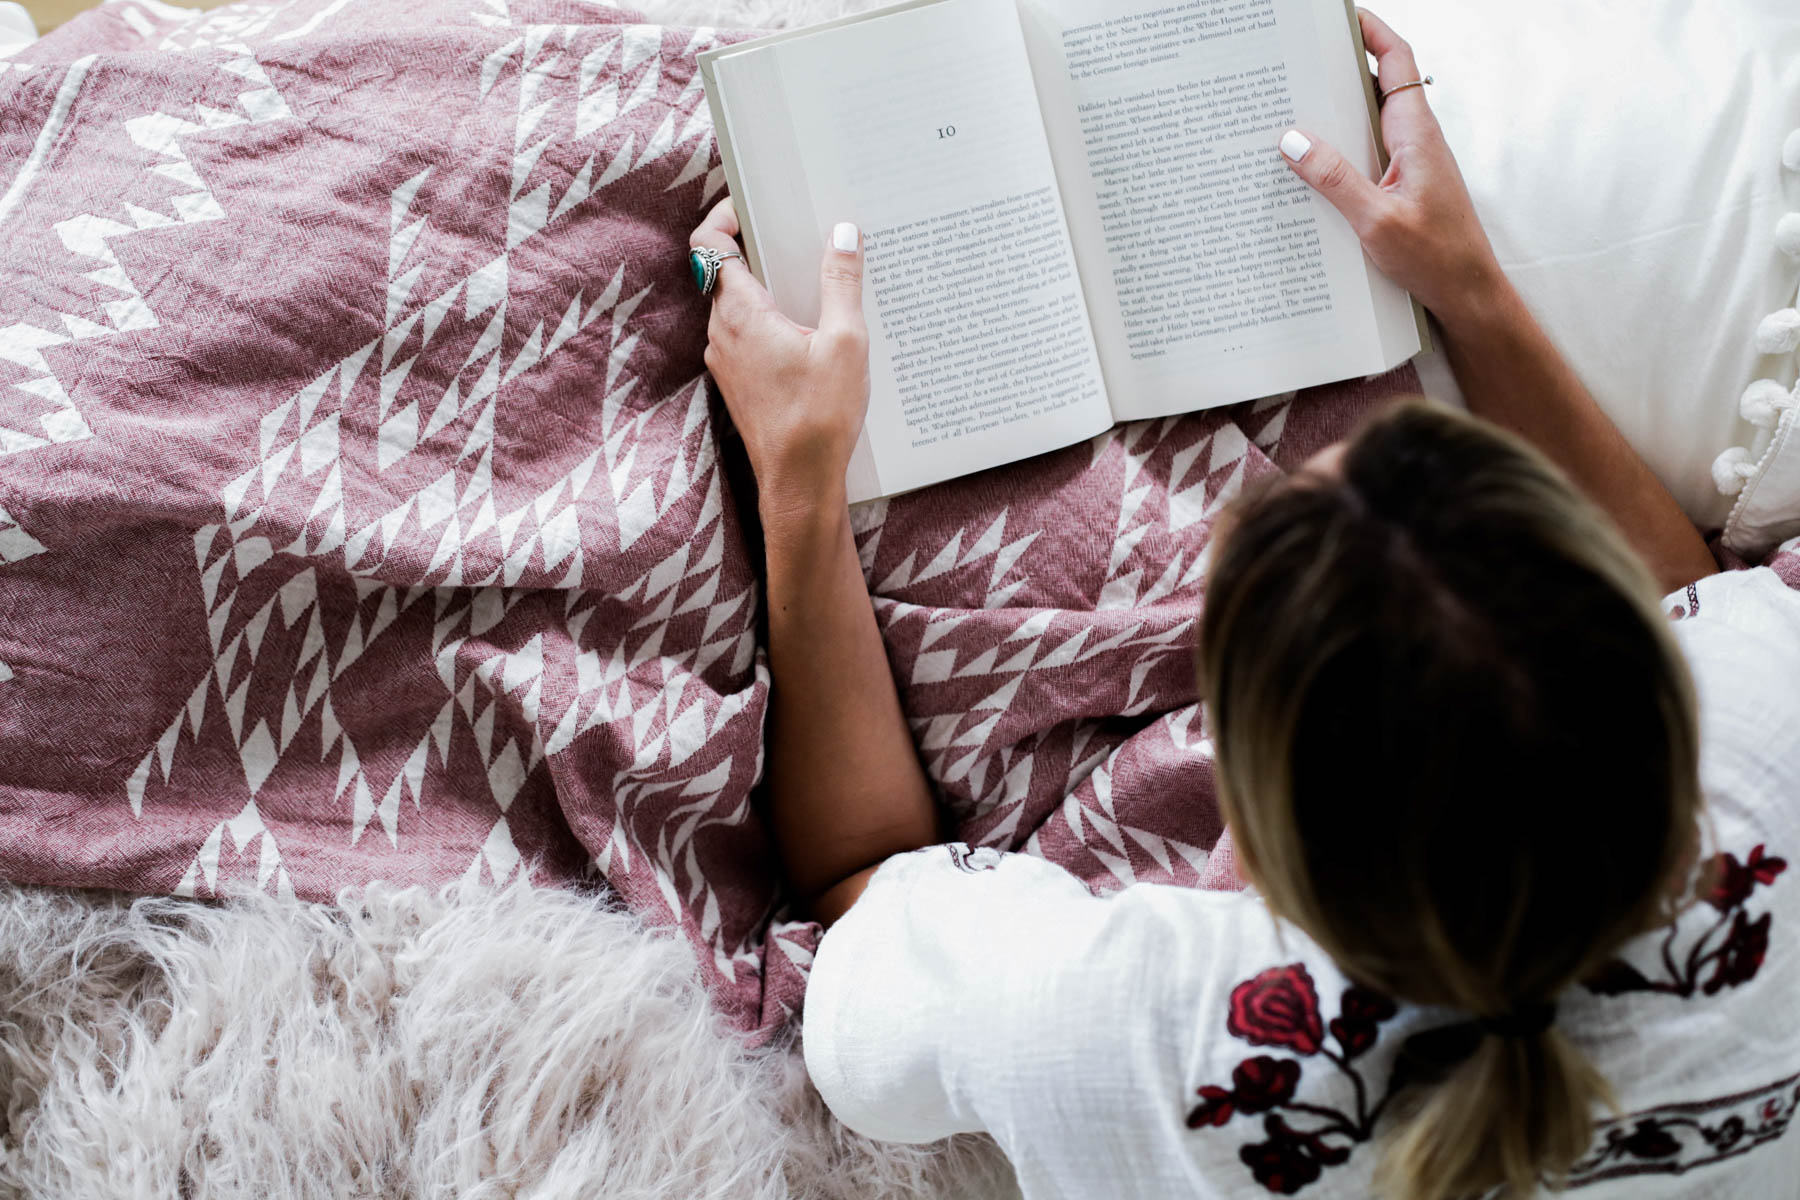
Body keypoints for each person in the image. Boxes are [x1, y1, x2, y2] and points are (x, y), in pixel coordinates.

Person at [688, 9, 1800, 1198]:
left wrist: (799, 483)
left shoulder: (1141, 1043)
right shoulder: (1774, 727)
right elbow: (1696, 603)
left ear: (1250, 852)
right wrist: (1465, 286)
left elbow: (867, 891)